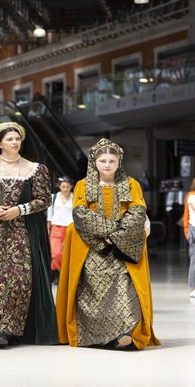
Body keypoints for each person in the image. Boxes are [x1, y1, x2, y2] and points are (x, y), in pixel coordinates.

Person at [56, 138, 160, 350]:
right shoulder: (83, 185)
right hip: (92, 249)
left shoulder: (131, 184)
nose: (107, 164)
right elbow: (80, 213)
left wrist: (117, 237)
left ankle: (125, 334)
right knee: (89, 295)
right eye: (102, 160)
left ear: (119, 161)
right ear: (95, 162)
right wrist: (108, 233)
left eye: (112, 160)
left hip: (122, 251)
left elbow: (138, 211)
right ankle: (96, 337)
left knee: (126, 291)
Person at [0, 121, 58, 348]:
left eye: (18, 139)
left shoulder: (36, 169)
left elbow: (44, 199)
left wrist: (20, 209)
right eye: (9, 139)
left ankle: (18, 331)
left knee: (21, 279)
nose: (15, 142)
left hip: (25, 232)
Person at [47, 176, 74, 284]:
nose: (65, 189)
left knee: (67, 253)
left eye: (67, 186)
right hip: (56, 227)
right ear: (59, 186)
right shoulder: (53, 197)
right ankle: (58, 273)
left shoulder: (75, 197)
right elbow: (49, 215)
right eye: (63, 186)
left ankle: (61, 276)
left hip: (70, 227)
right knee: (56, 252)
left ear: (71, 186)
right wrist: (47, 229)